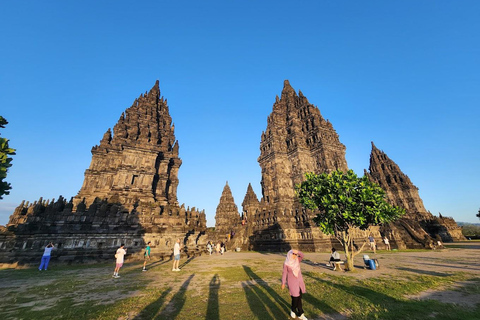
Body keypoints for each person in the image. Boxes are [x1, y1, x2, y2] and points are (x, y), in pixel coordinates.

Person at [282, 249, 308, 320]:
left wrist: (298, 252)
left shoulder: (297, 260)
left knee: (299, 297)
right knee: (295, 297)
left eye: (295, 254)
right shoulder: (286, 263)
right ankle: (293, 309)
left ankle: (301, 314)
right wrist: (283, 283)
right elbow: (284, 273)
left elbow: (302, 256)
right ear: (289, 254)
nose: (294, 256)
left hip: (299, 282)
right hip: (292, 282)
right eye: (292, 254)